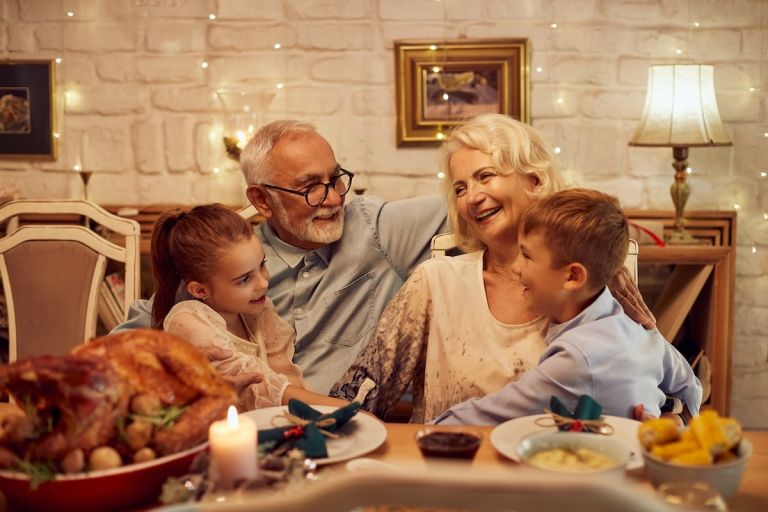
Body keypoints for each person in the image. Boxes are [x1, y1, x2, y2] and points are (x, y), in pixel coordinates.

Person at [330, 114, 655, 423]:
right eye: (460, 188)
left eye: (485, 176)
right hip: (449, 464)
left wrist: (662, 415)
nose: (472, 198)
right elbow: (359, 394)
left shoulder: (589, 281)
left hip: (555, 470)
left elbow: (659, 383)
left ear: (536, 181)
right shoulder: (435, 281)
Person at [116, 120, 448, 394]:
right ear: (262, 200)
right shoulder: (233, 260)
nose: (333, 199)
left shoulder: (375, 228)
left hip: (348, 427)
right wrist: (179, 375)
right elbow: (125, 343)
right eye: (310, 187)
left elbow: (465, 206)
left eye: (334, 179)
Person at [432, 189, 702, 425]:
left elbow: (487, 415)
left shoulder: (575, 361)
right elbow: (691, 387)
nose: (515, 268)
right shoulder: (639, 328)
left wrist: (422, 432)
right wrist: (677, 421)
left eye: (526, 256)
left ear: (573, 277)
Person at [151, 203, 350, 410]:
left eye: (262, 265)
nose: (264, 283)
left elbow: (286, 376)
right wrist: (342, 410)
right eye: (244, 279)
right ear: (200, 290)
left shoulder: (259, 311)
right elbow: (259, 385)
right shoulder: (188, 319)